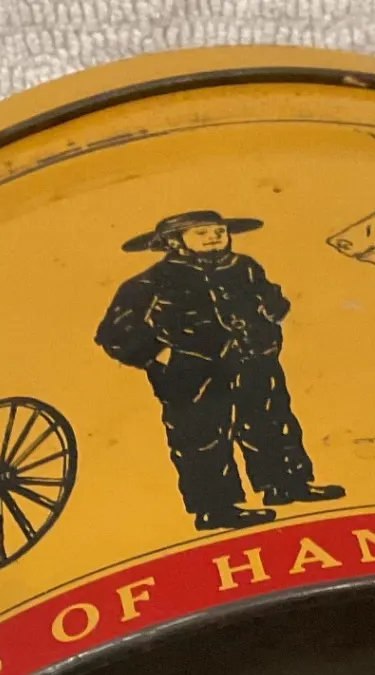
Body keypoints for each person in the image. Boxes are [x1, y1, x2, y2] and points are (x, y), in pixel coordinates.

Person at [96, 210, 344, 530]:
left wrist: (266, 325)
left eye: (219, 231)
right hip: (192, 372)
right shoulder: (151, 281)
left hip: (253, 360)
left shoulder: (244, 267)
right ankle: (216, 510)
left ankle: (286, 485)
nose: (214, 237)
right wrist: (162, 357)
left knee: (272, 422)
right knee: (202, 439)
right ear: (175, 242)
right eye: (201, 233)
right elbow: (114, 333)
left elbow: (274, 303)